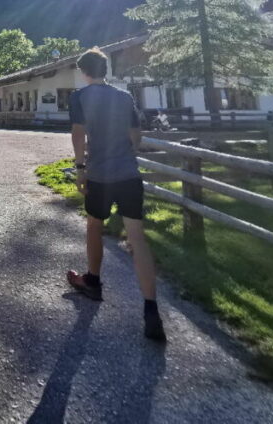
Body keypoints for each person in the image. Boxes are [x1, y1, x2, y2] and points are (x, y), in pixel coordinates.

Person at [65, 47, 166, 341]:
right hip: (129, 174)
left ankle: (93, 282)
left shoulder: (80, 97)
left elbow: (78, 133)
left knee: (95, 224)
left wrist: (81, 167)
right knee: (136, 236)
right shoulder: (124, 96)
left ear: (84, 72)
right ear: (105, 70)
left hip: (99, 174)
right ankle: (151, 309)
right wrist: (128, 151)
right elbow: (137, 136)